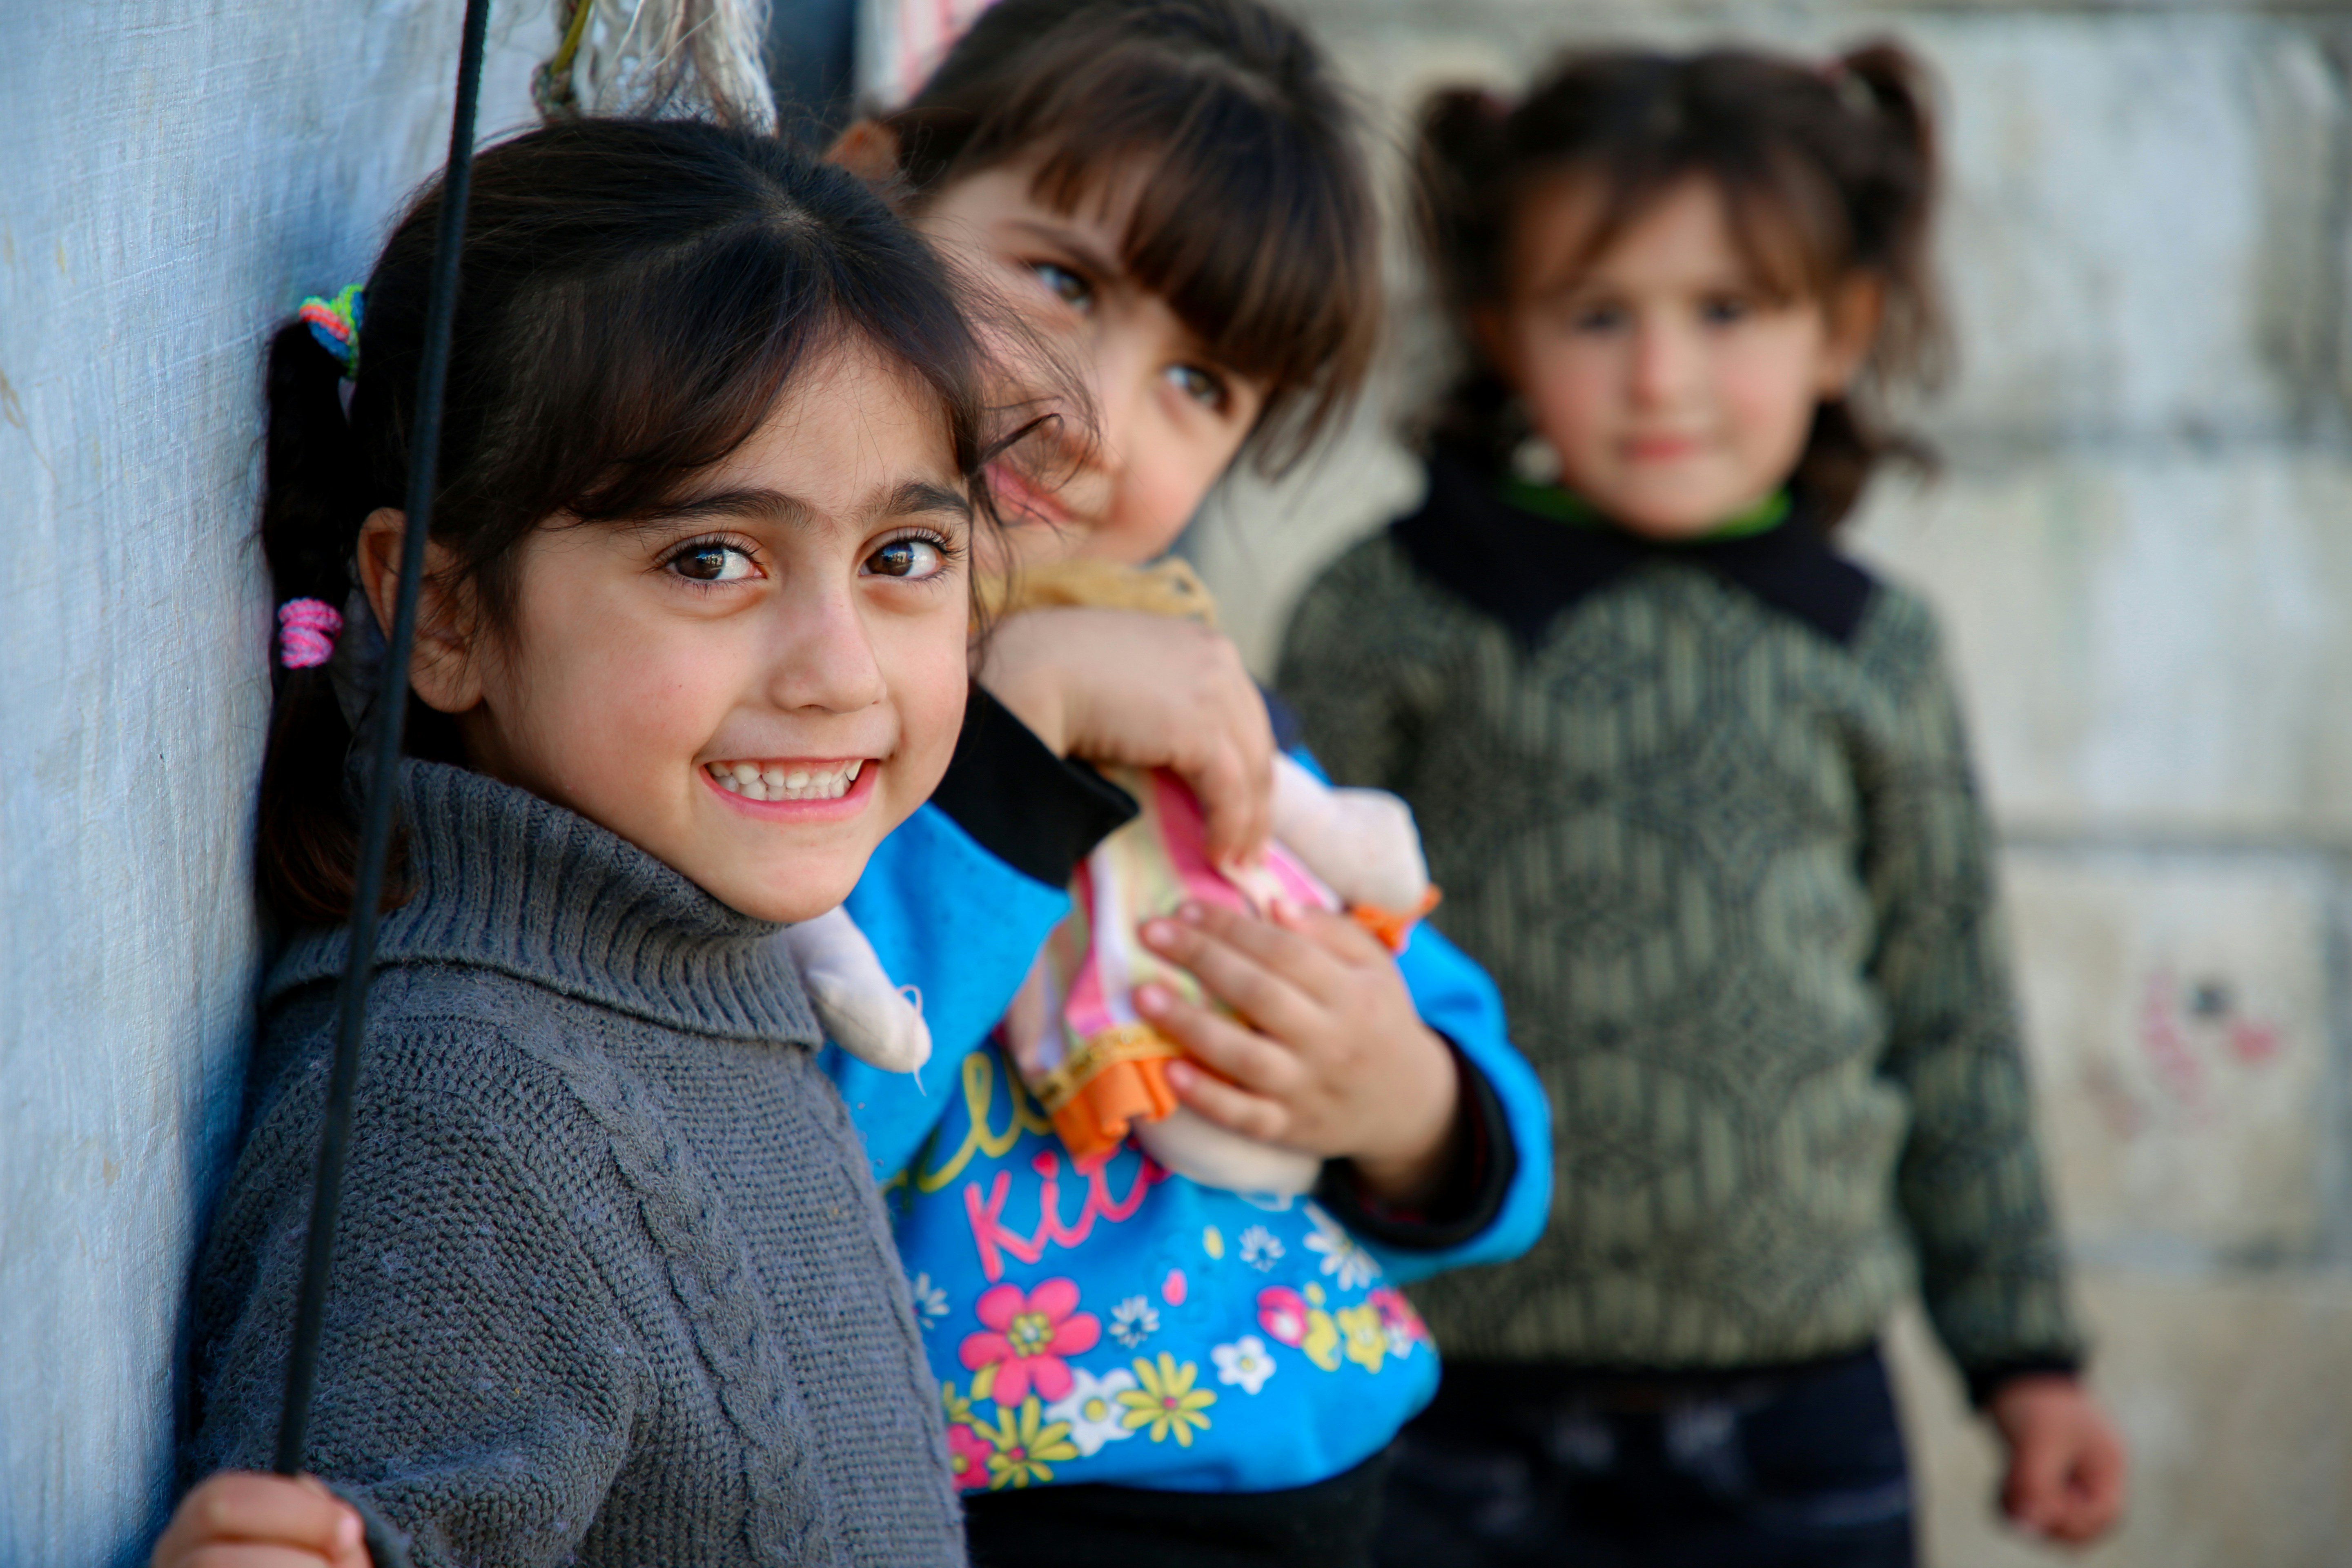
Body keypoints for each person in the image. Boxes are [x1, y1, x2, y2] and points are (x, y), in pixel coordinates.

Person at [151, 117, 1100, 1568]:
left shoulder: (706, 967)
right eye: (711, 559)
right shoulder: (463, 1117)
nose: (840, 670)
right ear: (440, 611)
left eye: (903, 557)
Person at [1276, 44, 2127, 1566]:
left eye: (1727, 311)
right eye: (1598, 315)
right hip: (1436, 1394)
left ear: (1840, 328)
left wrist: (2026, 1361)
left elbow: (1951, 1018)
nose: (1660, 377)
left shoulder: (1873, 647)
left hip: (1803, 1415)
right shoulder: (1394, 613)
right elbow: (1275, 935)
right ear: (1501, 331)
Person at [817, 4, 1552, 1564]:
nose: (1094, 413)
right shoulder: (778, 687)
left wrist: (1403, 1099)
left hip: (1313, 1479)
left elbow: (1500, 1132)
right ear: (868, 192)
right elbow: (781, 1139)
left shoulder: (1199, 710)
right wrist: (1018, 735)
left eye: (1202, 382)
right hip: (970, 1505)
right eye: (1063, 279)